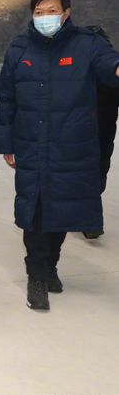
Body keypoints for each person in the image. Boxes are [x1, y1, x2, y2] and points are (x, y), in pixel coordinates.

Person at [0, 0, 119, 312]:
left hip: (71, 145)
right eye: (39, 12)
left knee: (62, 210)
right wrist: (6, 142)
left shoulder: (88, 44)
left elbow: (109, 66)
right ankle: (36, 276)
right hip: (30, 143)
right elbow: (6, 98)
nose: (44, 17)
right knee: (35, 212)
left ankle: (50, 265)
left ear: (66, 13)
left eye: (51, 10)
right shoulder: (19, 47)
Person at [81, 27, 119, 240]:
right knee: (96, 171)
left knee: (90, 173)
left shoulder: (105, 66)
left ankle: (90, 220)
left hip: (96, 129)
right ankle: (90, 220)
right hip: (102, 130)